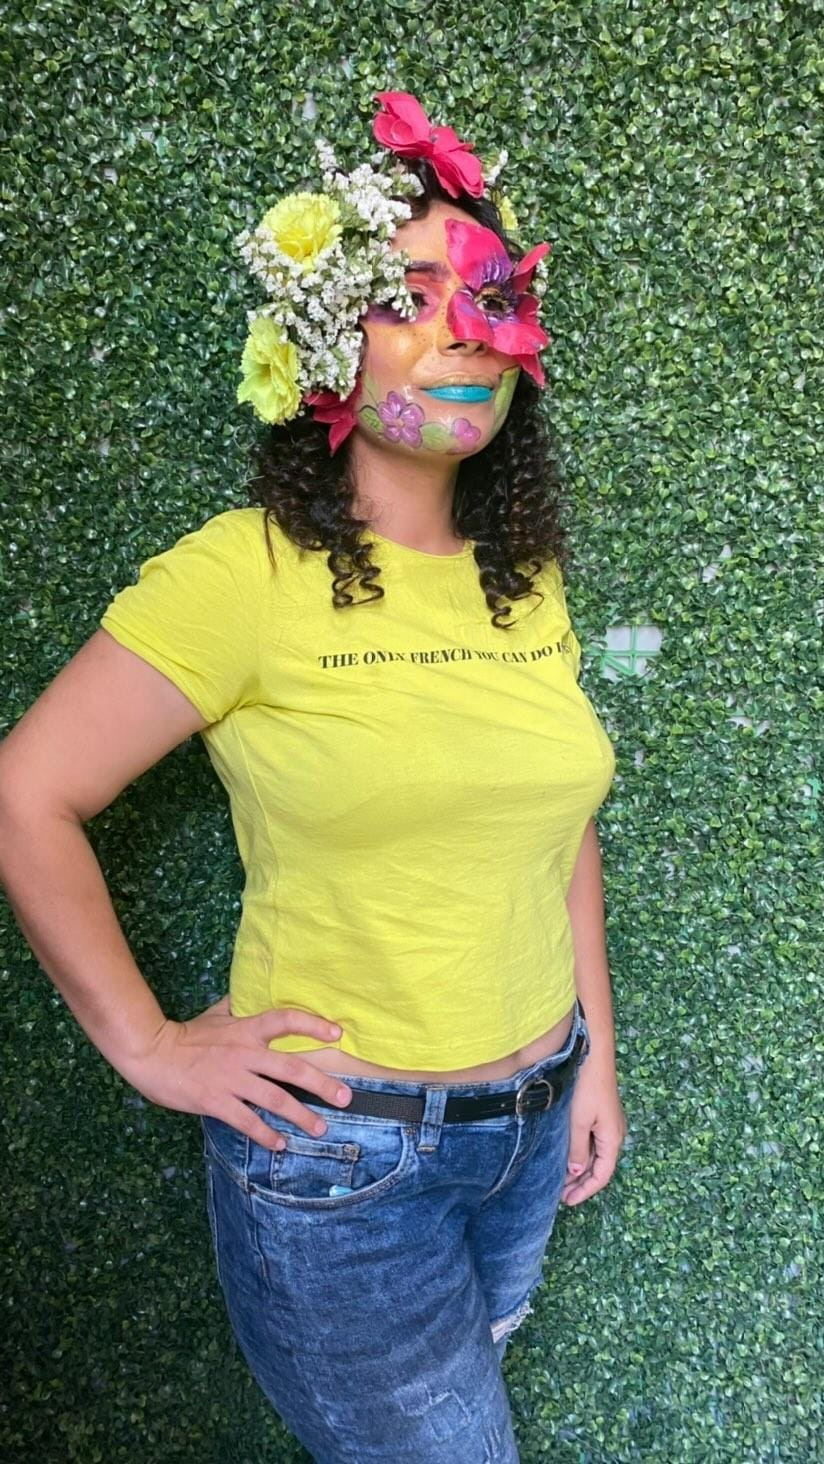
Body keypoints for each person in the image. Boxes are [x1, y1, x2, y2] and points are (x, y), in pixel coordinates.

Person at [0, 92, 627, 1461]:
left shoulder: (524, 584)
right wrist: (149, 1046)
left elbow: (557, 830)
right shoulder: (243, 574)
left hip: (531, 1134)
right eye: (408, 298)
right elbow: (22, 795)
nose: (464, 332)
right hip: (348, 1167)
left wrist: (596, 1057)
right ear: (326, 338)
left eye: (491, 298)